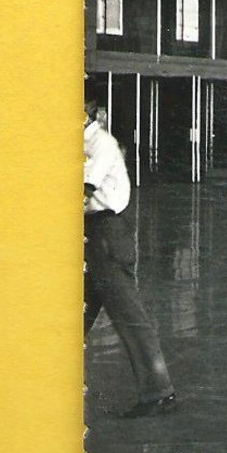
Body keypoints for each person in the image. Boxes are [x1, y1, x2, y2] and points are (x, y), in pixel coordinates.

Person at [84, 98, 177, 418]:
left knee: (128, 314)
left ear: (88, 111)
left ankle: (158, 393)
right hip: (91, 234)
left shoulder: (101, 143)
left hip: (107, 235)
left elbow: (82, 187)